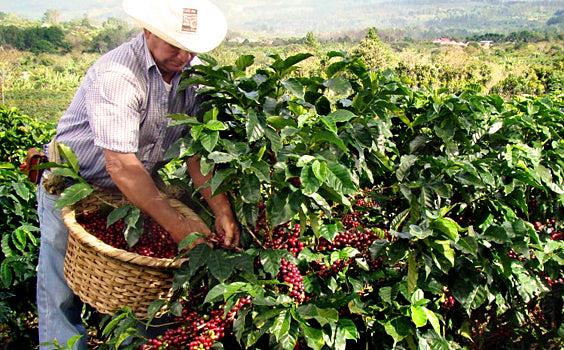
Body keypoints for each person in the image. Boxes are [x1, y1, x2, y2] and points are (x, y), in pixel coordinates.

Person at [35, 0, 239, 348]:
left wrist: (221, 209)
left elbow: (196, 149)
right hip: (75, 184)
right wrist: (179, 226)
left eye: (191, 48)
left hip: (137, 191)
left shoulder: (195, 75)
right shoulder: (118, 75)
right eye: (175, 45)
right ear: (148, 32)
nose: (184, 56)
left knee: (141, 286)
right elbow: (121, 167)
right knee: (61, 286)